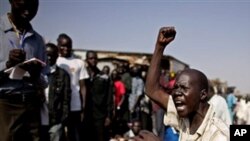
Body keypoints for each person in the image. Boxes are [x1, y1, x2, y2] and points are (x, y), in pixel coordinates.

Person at [133, 27, 229, 141]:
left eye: (184, 88)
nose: (176, 93)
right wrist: (160, 47)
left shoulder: (219, 135)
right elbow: (152, 90)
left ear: (202, 95)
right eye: (175, 88)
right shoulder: (187, 115)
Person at [0, 0, 48, 141]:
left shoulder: (38, 40)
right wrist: (7, 64)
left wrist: (36, 74)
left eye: (34, 6)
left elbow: (45, 80)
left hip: (31, 106)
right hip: (5, 105)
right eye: (24, 3)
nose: (28, 11)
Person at [56, 33, 89, 141]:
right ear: (58, 45)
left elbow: (83, 86)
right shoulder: (55, 61)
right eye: (63, 46)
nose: (66, 48)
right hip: (58, 104)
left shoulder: (79, 62)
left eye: (69, 46)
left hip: (75, 105)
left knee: (74, 135)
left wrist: (83, 107)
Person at [40, 43, 71, 141]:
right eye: (46, 55)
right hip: (38, 119)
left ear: (57, 56)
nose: (48, 58)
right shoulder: (37, 73)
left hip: (56, 120)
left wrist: (63, 118)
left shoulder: (63, 75)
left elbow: (66, 98)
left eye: (51, 55)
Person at [83, 50, 113, 141]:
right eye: (91, 58)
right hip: (85, 114)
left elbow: (109, 97)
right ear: (86, 60)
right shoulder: (83, 76)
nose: (93, 60)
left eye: (95, 58)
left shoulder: (104, 77)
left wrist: (108, 116)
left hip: (100, 115)